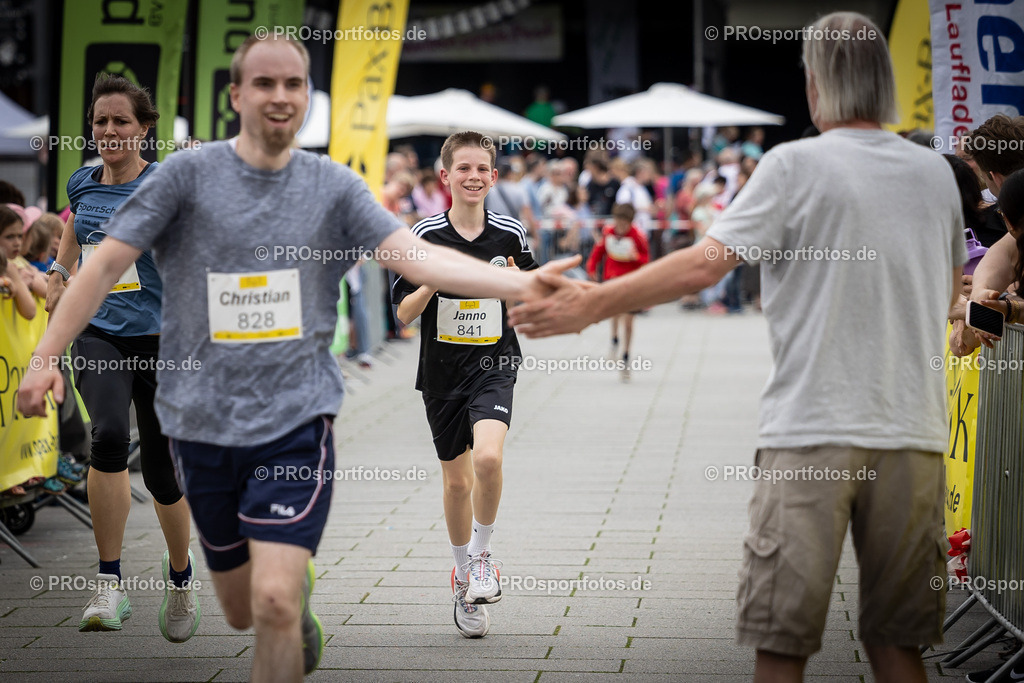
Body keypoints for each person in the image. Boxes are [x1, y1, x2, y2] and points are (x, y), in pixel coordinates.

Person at [17, 35, 571, 682]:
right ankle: (285, 588)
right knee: (238, 606)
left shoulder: (332, 185)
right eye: (264, 83)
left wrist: (526, 284)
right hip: (203, 419)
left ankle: (288, 590)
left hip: (297, 416)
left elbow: (417, 256)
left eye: (294, 84)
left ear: (306, 97)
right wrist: (44, 355)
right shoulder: (186, 178)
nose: (280, 96)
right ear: (236, 95)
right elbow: (102, 261)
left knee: (272, 601)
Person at [512, 12, 965, 683]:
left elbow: (704, 265)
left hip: (815, 425)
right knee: (898, 643)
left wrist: (593, 303)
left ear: (815, 85)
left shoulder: (792, 165)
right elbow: (952, 287)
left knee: (782, 642)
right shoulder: (934, 175)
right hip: (916, 432)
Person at [41, 74, 201, 641]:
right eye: (101, 121)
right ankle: (109, 583)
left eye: (121, 122)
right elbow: (74, 233)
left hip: (163, 340)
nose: (109, 131)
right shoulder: (81, 181)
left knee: (163, 471)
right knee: (107, 436)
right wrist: (59, 275)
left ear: (144, 129)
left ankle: (181, 578)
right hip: (100, 333)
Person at [392, 130, 538, 639]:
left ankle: (482, 558)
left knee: (489, 459)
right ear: (446, 176)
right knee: (456, 483)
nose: (473, 177)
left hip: (495, 363)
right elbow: (404, 316)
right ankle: (461, 574)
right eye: (464, 169)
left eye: (482, 170)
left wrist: (527, 290)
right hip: (441, 375)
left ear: (493, 177)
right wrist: (435, 277)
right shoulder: (425, 236)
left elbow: (530, 293)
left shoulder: (510, 234)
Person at [585, 203, 649, 380]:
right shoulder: (609, 232)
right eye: (618, 223)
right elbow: (599, 251)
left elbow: (645, 257)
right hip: (612, 279)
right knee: (615, 313)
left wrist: (636, 257)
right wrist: (591, 267)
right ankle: (614, 340)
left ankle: (626, 356)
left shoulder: (637, 236)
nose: (620, 227)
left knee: (628, 322)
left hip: (630, 282)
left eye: (624, 224)